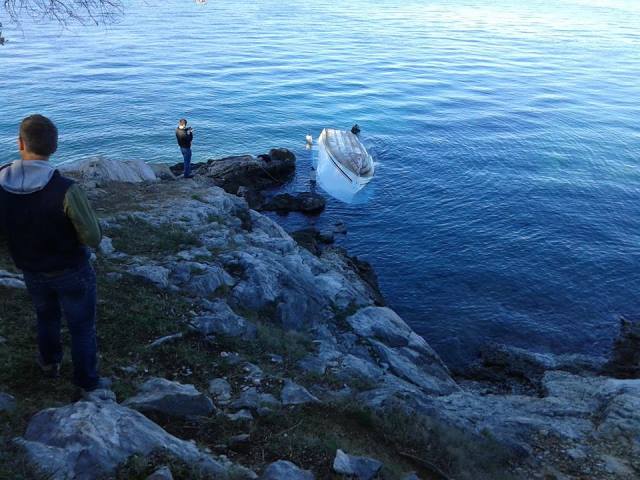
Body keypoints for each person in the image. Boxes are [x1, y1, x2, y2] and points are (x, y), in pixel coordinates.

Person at [0, 114, 107, 394]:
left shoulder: (1, 182)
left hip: (31, 269)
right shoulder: (65, 190)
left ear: (20, 143)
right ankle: (86, 381)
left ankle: (49, 364)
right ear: (55, 148)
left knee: (45, 317)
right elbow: (93, 237)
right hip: (71, 270)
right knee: (81, 327)